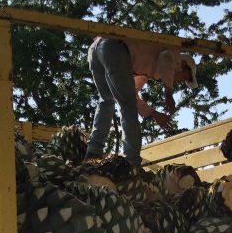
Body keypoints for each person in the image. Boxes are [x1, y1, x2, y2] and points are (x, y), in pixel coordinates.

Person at [85, 36, 199, 166]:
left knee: (107, 100)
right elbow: (165, 57)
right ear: (183, 65)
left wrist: (154, 114)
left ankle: (93, 151)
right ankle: (132, 162)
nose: (180, 81)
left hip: (97, 49)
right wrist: (168, 92)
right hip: (115, 47)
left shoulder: (145, 67)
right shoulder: (174, 56)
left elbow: (131, 96)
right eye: (184, 77)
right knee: (127, 109)